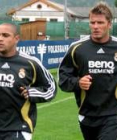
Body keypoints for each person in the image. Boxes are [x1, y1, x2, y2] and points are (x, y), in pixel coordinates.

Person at [0, 23, 57, 140]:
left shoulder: (30, 63)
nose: (0, 39)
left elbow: (51, 87)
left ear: (16, 39)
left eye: (5, 35)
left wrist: (33, 93)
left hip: (20, 129)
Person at [59, 2, 117, 140]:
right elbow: (63, 78)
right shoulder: (77, 48)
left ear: (109, 24)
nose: (95, 26)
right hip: (87, 114)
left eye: (100, 22)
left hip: (113, 114)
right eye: (92, 22)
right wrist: (78, 82)